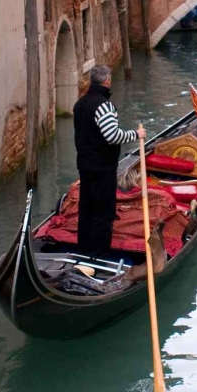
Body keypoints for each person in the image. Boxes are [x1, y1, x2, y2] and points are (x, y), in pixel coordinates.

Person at [73, 65, 138, 257]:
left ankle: (83, 251)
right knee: (104, 213)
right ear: (107, 81)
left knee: (87, 210)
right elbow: (113, 136)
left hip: (84, 166)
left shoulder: (80, 104)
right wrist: (136, 134)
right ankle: (98, 257)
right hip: (103, 169)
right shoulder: (104, 106)